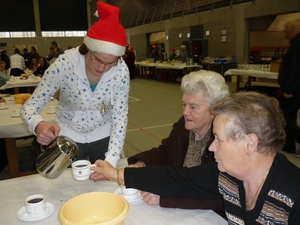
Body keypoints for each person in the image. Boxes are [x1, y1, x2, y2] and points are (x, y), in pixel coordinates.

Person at [91, 92, 300, 224]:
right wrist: (117, 174)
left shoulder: (294, 198)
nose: (211, 147)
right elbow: (176, 179)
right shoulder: (228, 176)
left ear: (250, 143)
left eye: (219, 139)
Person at [21, 2, 129, 167]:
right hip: (67, 138)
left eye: (110, 63)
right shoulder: (65, 64)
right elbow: (29, 107)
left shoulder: (121, 70)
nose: (101, 68)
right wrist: (38, 124)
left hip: (104, 137)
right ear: (88, 48)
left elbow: (120, 117)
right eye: (96, 59)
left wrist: (111, 159)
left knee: (104, 187)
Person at [127, 70, 229, 217]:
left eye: (193, 107)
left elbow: (220, 197)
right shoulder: (184, 126)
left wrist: (168, 198)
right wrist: (142, 164)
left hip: (212, 215)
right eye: (184, 104)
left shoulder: (224, 140)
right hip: (181, 207)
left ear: (215, 109)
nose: (185, 112)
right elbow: (166, 152)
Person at [278, 19, 300, 154]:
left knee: (285, 117)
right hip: (295, 88)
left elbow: (297, 69)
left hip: (294, 90)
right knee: (288, 116)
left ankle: (292, 141)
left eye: (286, 27)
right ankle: (289, 145)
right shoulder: (295, 43)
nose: (283, 30)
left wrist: (289, 89)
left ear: (293, 28)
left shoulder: (298, 44)